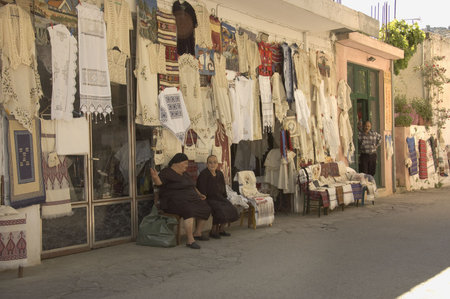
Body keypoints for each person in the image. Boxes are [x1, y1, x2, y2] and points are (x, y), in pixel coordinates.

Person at [150, 153, 211, 249]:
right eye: (185, 163)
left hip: (189, 199)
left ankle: (197, 233)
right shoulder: (166, 172)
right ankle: (190, 240)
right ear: (176, 163)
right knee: (188, 210)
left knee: (205, 207)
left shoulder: (185, 174)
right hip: (172, 202)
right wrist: (155, 178)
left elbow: (192, 186)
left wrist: (199, 194)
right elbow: (159, 183)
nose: (186, 166)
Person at [196, 155, 239, 239]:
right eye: (210, 163)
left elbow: (223, 187)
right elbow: (201, 190)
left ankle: (221, 229)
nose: (212, 164)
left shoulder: (219, 173)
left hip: (219, 197)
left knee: (231, 208)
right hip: (209, 198)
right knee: (219, 209)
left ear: (217, 164)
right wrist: (204, 197)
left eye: (215, 162)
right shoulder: (204, 174)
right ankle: (213, 230)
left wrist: (224, 198)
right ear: (207, 164)